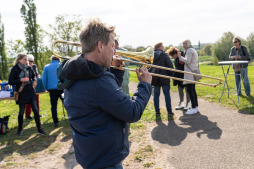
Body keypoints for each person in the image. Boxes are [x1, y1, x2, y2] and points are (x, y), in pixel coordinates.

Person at [61, 18, 152, 169]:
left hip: (91, 153)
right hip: (105, 160)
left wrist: (115, 72)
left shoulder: (76, 71)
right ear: (100, 46)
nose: (115, 51)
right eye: (112, 46)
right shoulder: (98, 81)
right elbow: (132, 112)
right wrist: (145, 85)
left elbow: (105, 101)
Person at [8, 53, 45, 135]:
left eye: (27, 59)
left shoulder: (29, 67)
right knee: (21, 111)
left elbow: (34, 75)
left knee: (35, 110)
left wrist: (35, 80)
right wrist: (20, 80)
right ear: (19, 60)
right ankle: (20, 130)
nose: (26, 61)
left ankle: (39, 129)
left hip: (30, 91)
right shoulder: (14, 69)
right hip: (21, 92)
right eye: (25, 59)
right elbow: (10, 81)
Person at [150, 42, 174, 117]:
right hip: (164, 78)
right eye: (162, 46)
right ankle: (169, 112)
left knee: (156, 95)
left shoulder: (151, 55)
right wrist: (172, 76)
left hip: (155, 78)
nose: (163, 48)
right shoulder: (164, 55)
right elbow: (170, 65)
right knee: (167, 94)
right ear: (160, 47)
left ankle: (157, 112)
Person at [177, 39, 199, 115]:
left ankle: (193, 108)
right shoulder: (192, 49)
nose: (183, 46)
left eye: (184, 44)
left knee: (190, 90)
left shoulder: (189, 50)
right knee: (193, 90)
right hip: (192, 72)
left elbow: (188, 61)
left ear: (188, 44)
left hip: (189, 73)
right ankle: (195, 107)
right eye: (183, 44)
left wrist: (180, 57)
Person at [42, 56, 63, 127]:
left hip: (52, 89)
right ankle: (72, 118)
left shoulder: (46, 67)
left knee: (53, 106)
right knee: (67, 104)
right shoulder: (62, 65)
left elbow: (44, 79)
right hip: (62, 88)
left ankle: (56, 122)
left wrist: (46, 88)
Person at [25, 54, 40, 119]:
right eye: (29, 61)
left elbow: (36, 74)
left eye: (32, 61)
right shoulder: (24, 67)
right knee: (28, 101)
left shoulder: (34, 66)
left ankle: (37, 113)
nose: (31, 62)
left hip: (34, 85)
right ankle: (27, 114)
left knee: (36, 100)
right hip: (27, 86)